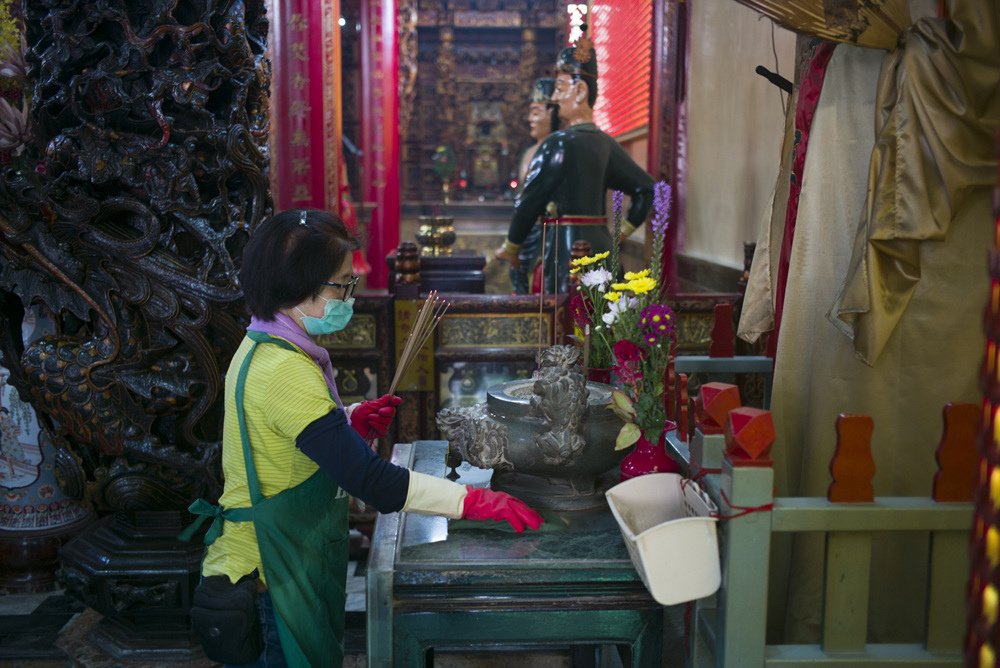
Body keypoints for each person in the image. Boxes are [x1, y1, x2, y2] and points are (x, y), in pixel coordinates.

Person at [185, 208, 544, 667]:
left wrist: (348, 422)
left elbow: (284, 441)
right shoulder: (284, 370)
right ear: (299, 287)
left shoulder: (266, 344)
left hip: (286, 558)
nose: (347, 297)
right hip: (267, 573)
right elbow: (373, 483)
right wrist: (471, 501)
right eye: (341, 285)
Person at [495, 35, 654, 294]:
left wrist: (511, 245)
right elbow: (647, 188)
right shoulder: (606, 144)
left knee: (562, 324)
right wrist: (619, 235)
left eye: (560, 87)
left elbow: (530, 201)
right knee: (602, 322)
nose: (556, 97)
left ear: (580, 91)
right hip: (603, 253)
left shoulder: (557, 144)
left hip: (561, 253)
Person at [509, 77, 558, 294]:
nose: (530, 119)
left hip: (547, 232)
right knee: (519, 278)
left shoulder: (558, 151)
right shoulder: (529, 152)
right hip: (524, 230)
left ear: (552, 113)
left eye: (536, 112)